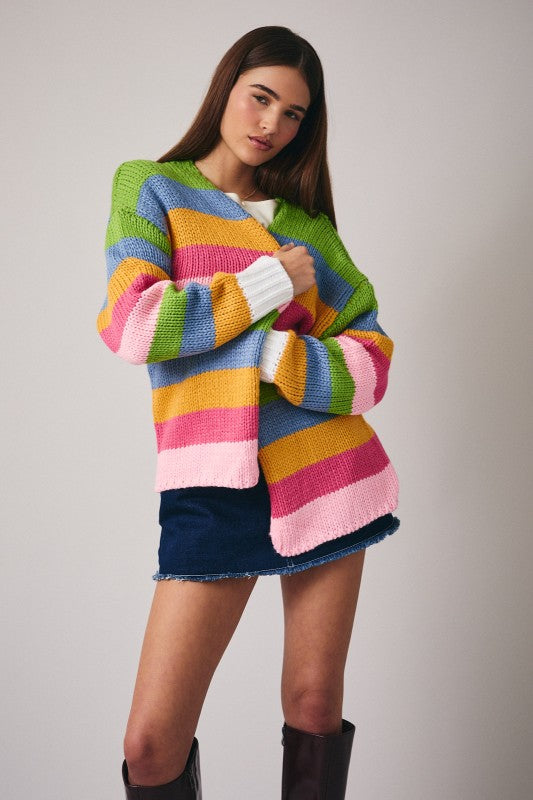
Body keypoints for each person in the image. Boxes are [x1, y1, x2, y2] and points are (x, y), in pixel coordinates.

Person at [96, 25, 400, 800]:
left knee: (313, 704)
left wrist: (274, 358)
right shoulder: (151, 188)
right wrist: (268, 285)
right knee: (149, 745)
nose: (270, 124)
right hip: (210, 483)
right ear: (226, 87)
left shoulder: (310, 231)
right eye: (260, 98)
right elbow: (136, 326)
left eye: (293, 114)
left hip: (326, 472)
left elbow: (369, 366)